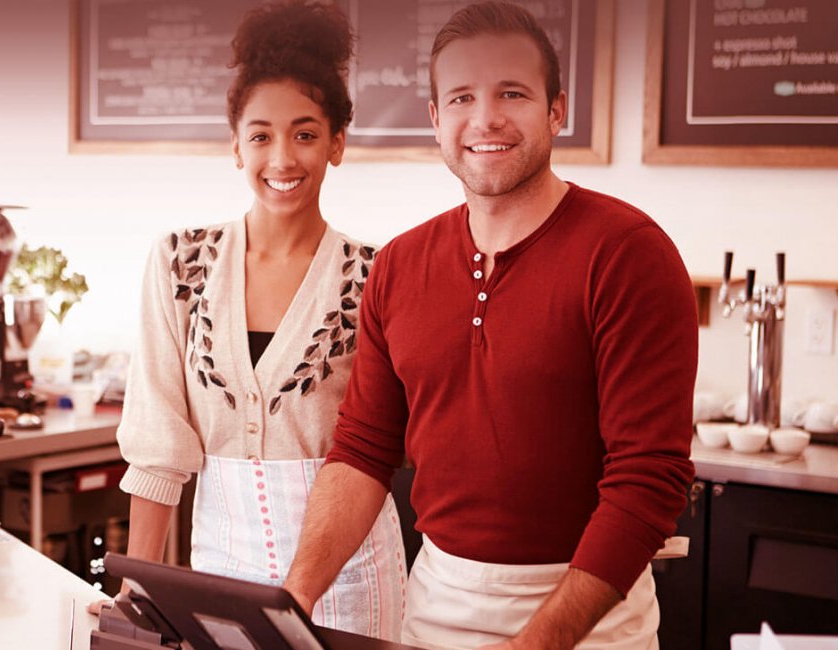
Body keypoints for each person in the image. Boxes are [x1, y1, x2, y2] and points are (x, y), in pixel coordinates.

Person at [282, 2, 699, 648]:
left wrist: (538, 643)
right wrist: (292, 602)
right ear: (436, 119)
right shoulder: (398, 265)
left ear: (557, 109)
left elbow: (648, 482)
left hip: (589, 622)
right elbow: (363, 452)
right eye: (462, 97)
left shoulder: (629, 255)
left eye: (512, 92)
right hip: (437, 608)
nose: (485, 119)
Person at [113, 0, 405, 641]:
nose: (282, 158)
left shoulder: (377, 274)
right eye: (261, 135)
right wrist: (136, 591)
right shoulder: (178, 263)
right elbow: (160, 448)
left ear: (337, 144)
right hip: (219, 566)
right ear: (235, 144)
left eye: (305, 133)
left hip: (350, 576)